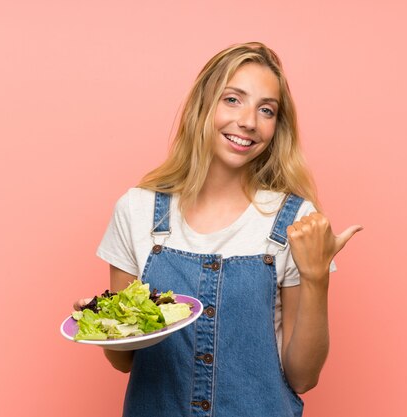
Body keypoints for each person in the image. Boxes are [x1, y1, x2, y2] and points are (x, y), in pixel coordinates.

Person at [74, 41, 362, 417]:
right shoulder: (138, 210)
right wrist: (104, 325)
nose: (249, 121)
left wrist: (316, 276)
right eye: (232, 100)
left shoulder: (294, 220)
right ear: (202, 106)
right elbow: (125, 360)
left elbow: (303, 376)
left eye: (266, 110)